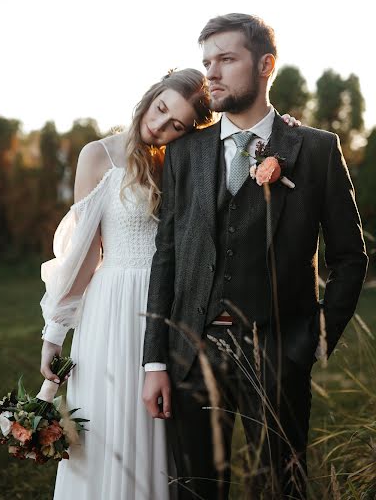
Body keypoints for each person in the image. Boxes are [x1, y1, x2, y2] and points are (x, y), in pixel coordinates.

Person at [39, 66, 299, 500]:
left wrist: (282, 133)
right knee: (107, 427)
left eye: (175, 125)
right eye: (160, 109)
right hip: (113, 309)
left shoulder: (190, 160)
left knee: (168, 437)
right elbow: (83, 256)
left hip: (173, 312)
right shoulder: (97, 155)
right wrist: (54, 333)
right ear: (152, 92)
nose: (158, 127)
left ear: (190, 130)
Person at [142, 14, 368, 499]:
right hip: (189, 354)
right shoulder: (186, 152)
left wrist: (312, 342)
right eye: (207, 62)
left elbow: (350, 257)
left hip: (278, 353)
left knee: (280, 489)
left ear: (265, 65)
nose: (212, 73)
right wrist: (154, 362)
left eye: (226, 59)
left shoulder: (314, 148)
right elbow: (167, 257)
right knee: (195, 492)